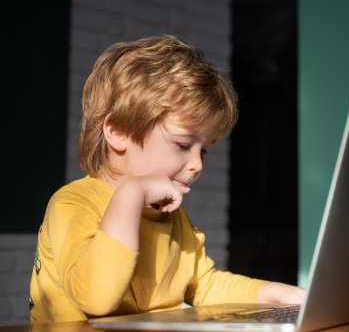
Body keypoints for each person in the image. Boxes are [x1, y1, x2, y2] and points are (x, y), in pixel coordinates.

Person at [29, 35, 305, 324]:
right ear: (119, 132)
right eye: (183, 145)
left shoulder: (172, 218)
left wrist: (279, 294)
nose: (197, 165)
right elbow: (95, 299)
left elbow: (205, 285)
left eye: (204, 152)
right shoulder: (72, 205)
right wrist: (131, 195)